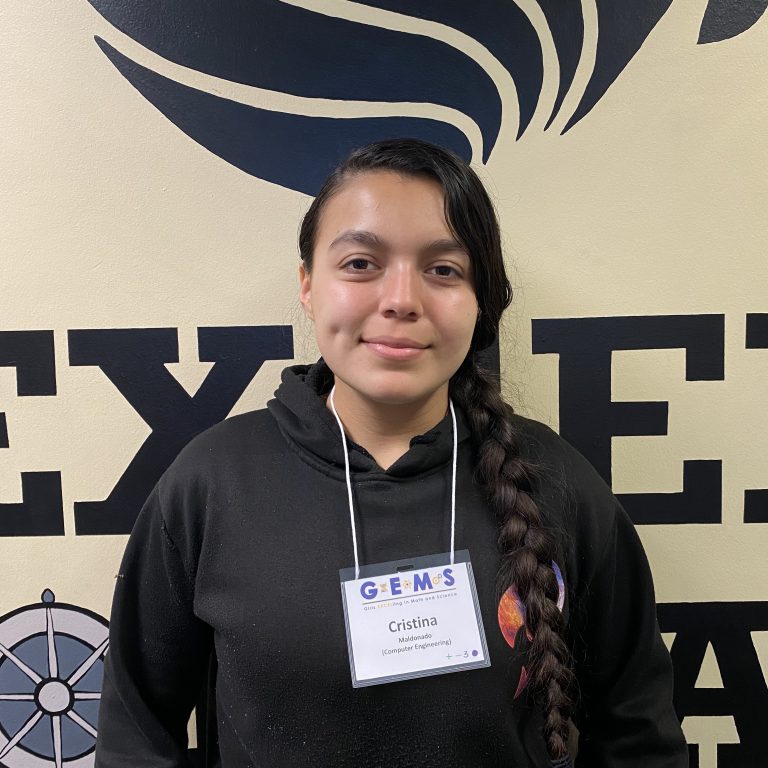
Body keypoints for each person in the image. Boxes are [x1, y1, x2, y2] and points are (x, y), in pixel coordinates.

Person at [95, 139, 688, 768]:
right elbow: (136, 734)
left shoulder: (558, 484)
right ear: (307, 285)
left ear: (480, 299)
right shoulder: (211, 485)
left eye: (443, 269)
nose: (402, 299)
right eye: (360, 263)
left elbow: (640, 735)